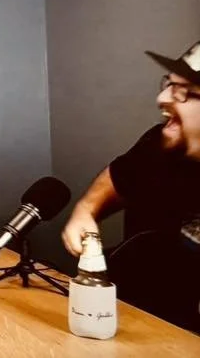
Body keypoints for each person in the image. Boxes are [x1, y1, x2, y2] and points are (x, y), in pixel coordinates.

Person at [61, 42, 200, 333]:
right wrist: (86, 210)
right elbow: (119, 178)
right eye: (169, 84)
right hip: (126, 325)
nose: (162, 98)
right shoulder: (161, 145)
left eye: (183, 91)